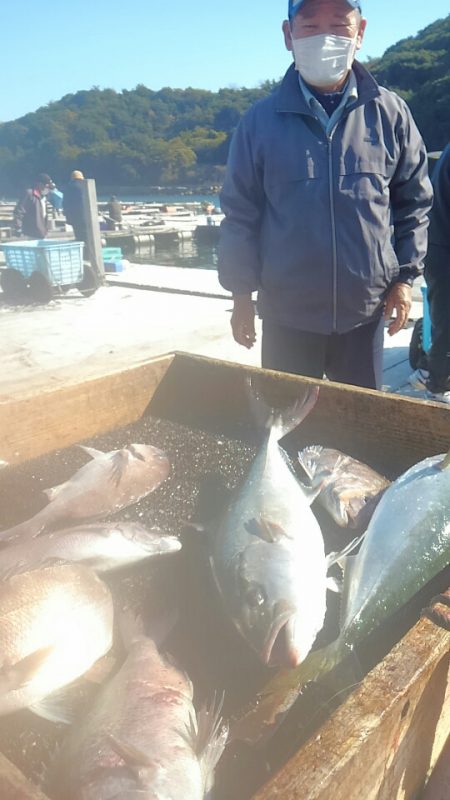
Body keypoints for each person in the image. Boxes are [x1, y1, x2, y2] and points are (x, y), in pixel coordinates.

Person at [217, 0, 433, 390]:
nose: (326, 37)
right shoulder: (258, 123)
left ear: (360, 32)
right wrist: (241, 295)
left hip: (364, 316)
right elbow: (239, 216)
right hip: (286, 316)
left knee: (357, 432)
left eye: (339, 24)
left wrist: (405, 278)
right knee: (285, 427)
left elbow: (413, 204)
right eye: (310, 25)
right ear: (288, 35)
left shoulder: (391, 114)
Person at [409, 144, 450, 403]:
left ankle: (433, 375)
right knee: (447, 323)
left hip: (439, 242)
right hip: (443, 247)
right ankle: (437, 385)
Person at [13, 173, 55, 239]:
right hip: (30, 234)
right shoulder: (29, 194)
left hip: (42, 233)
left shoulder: (44, 196)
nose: (47, 189)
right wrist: (18, 228)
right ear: (39, 184)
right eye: (46, 186)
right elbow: (19, 212)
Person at [63, 170, 91, 260]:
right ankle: (89, 257)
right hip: (86, 217)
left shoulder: (68, 188)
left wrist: (68, 217)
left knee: (79, 238)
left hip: (74, 218)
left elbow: (65, 203)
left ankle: (82, 257)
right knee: (88, 238)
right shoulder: (84, 187)